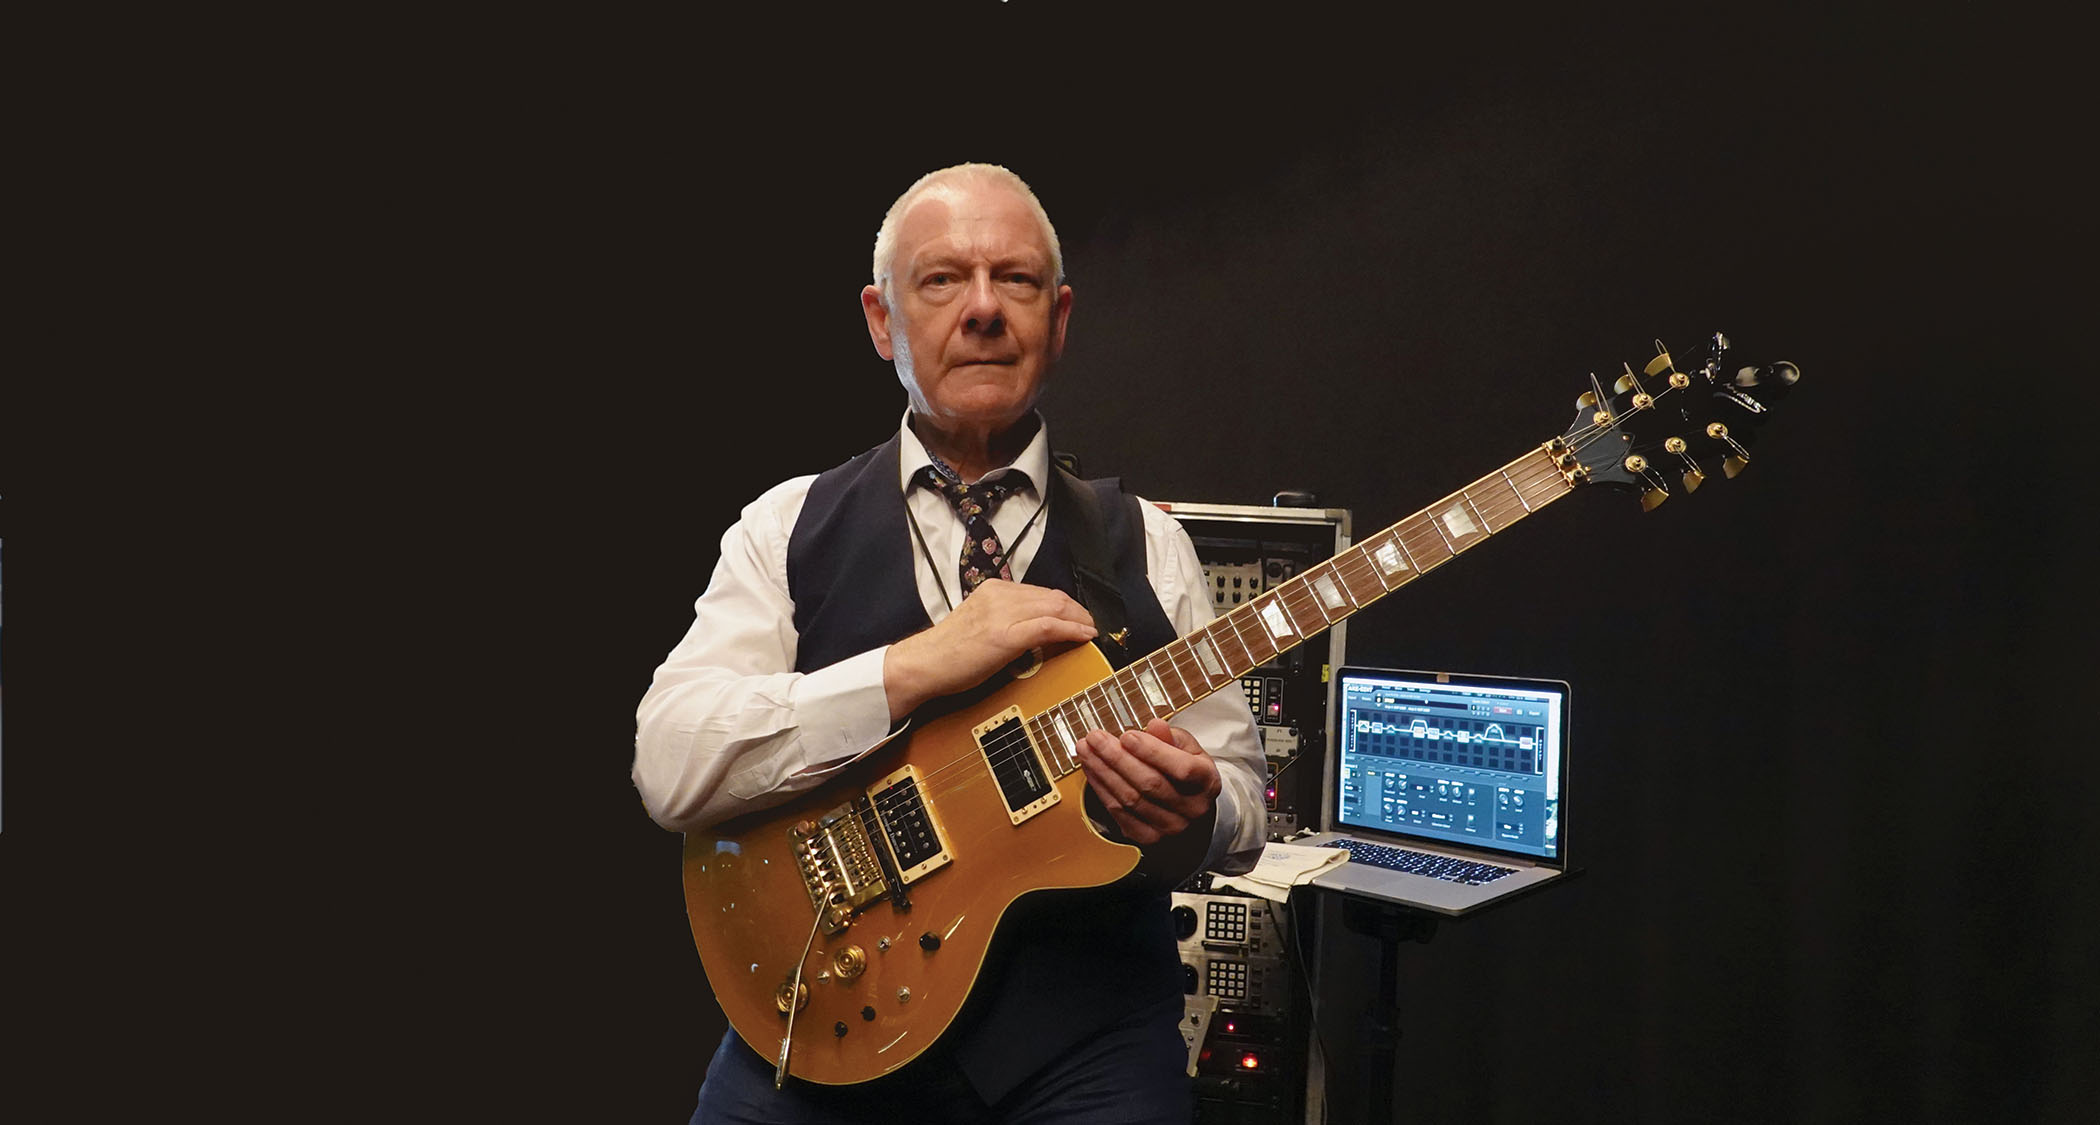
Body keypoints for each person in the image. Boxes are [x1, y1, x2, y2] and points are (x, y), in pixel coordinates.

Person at [633, 162, 1267, 1124]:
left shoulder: (1151, 544)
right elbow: (669, 765)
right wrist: (908, 670)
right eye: (941, 280)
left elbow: (1243, 803)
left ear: (1057, 321)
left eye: (1013, 280)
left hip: (1080, 1047)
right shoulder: (783, 526)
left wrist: (1195, 815)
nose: (980, 309)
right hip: (821, 1025)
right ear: (882, 320)